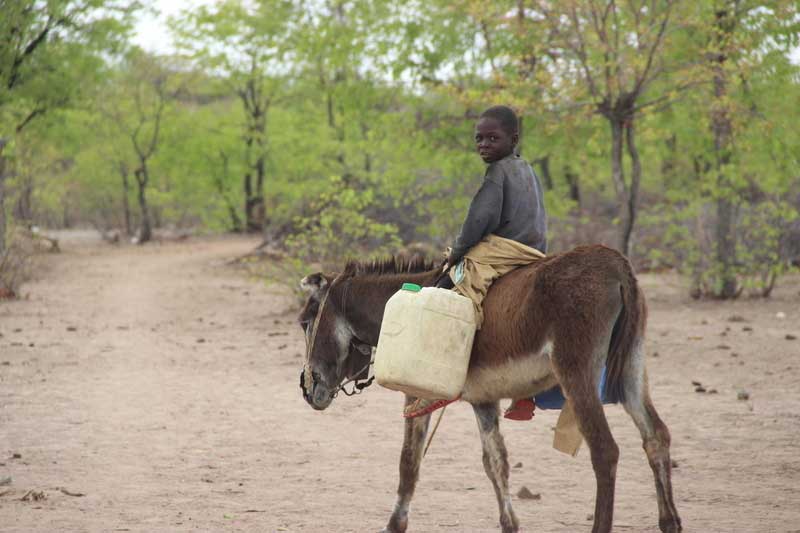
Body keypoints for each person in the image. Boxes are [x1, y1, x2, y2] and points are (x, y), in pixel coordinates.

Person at [406, 105, 548, 420]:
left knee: (449, 294)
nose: (484, 145)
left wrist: (455, 254)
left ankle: (440, 385)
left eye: (492, 138)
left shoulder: (497, 173)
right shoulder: (528, 169)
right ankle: (526, 397)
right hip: (534, 252)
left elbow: (478, 221)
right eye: (479, 139)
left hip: (504, 249)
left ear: (513, 138)